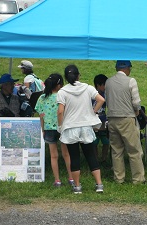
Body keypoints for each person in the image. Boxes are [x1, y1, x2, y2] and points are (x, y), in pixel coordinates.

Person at [57, 65, 105, 194]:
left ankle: (77, 186)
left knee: (74, 157)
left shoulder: (62, 92)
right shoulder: (87, 88)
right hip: (85, 126)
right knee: (90, 155)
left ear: (66, 78)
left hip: (70, 127)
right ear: (79, 75)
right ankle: (99, 184)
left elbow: (60, 111)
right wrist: (93, 112)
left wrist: (60, 126)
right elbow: (101, 99)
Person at [105, 60, 146, 184]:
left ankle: (119, 178)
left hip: (112, 118)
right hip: (127, 118)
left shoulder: (108, 82)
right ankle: (138, 179)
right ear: (127, 68)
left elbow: (107, 99)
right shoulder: (131, 81)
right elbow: (136, 102)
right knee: (134, 150)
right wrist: (137, 111)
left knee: (116, 150)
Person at [35, 73, 74, 187]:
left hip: (48, 128)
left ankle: (57, 180)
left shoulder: (42, 97)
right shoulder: (63, 96)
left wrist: (43, 129)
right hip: (62, 127)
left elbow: (41, 115)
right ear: (58, 85)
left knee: (53, 155)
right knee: (66, 154)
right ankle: (71, 177)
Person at [92, 74, 109, 163]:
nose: (105, 87)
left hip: (103, 121)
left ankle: (104, 158)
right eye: (104, 85)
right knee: (94, 141)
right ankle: (95, 158)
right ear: (98, 85)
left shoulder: (106, 94)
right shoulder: (92, 95)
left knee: (106, 141)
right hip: (94, 121)